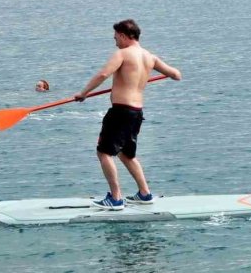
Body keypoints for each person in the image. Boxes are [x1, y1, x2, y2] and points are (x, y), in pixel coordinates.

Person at [73, 19, 181, 210]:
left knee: (104, 152)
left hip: (121, 111)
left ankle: (115, 198)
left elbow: (103, 75)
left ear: (124, 36)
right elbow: (176, 74)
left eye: (115, 37)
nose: (114, 41)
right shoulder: (150, 57)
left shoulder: (122, 53)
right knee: (126, 154)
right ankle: (144, 194)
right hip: (136, 112)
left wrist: (84, 93)